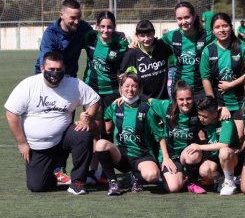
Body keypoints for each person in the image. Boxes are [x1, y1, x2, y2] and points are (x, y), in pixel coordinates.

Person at [4, 51, 100, 194]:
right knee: (37, 186)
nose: (55, 73)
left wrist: (87, 118)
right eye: (51, 69)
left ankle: (78, 182)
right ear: (42, 68)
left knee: (82, 134)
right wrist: (21, 142)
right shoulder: (28, 85)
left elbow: (94, 100)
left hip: (63, 139)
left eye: (58, 70)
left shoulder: (73, 84)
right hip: (37, 146)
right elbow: (11, 113)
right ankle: (54, 171)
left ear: (64, 69)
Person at [96, 73, 160, 196]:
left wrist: (164, 158)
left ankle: (136, 176)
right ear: (120, 88)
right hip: (122, 156)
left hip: (142, 156)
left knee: (152, 175)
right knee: (100, 144)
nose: (130, 90)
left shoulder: (146, 107)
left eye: (134, 86)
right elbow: (103, 121)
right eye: (126, 86)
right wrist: (86, 120)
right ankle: (113, 182)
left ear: (140, 89)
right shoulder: (115, 106)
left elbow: (159, 134)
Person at [200, 12, 245, 140]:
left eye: (225, 26)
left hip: (240, 102)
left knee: (239, 137)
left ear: (231, 27)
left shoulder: (242, 47)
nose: (222, 30)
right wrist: (216, 105)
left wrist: (231, 84)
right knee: (220, 139)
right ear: (213, 30)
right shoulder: (208, 51)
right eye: (217, 27)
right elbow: (206, 78)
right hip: (219, 102)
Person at [147, 80, 204, 194]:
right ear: (175, 100)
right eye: (181, 99)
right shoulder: (166, 107)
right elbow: (148, 101)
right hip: (171, 155)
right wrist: (123, 99)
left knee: (194, 153)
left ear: (193, 97)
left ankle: (192, 182)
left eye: (188, 98)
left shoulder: (199, 108)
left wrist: (222, 109)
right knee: (173, 188)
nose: (185, 102)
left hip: (188, 154)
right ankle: (179, 176)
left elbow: (212, 107)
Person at [82, 11, 128, 137]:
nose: (106, 30)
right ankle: (94, 154)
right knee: (93, 125)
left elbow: (129, 59)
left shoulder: (121, 43)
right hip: (91, 87)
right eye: (102, 26)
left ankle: (107, 153)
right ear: (97, 26)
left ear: (114, 27)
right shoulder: (90, 37)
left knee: (108, 128)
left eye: (109, 27)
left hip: (111, 90)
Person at [184, 96, 240, 195]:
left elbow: (224, 144)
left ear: (215, 114)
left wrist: (199, 146)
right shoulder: (200, 120)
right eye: (199, 115)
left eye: (205, 116)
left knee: (224, 151)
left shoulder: (226, 121)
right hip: (215, 159)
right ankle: (224, 180)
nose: (201, 118)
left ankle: (230, 182)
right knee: (204, 171)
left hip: (232, 159)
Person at [161, 1, 215, 100]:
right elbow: (152, 43)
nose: (183, 22)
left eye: (187, 17)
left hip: (201, 88)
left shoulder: (207, 36)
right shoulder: (171, 36)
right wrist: (135, 41)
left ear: (194, 17)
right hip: (178, 88)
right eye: (179, 18)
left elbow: (226, 42)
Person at [34, 0, 92, 77]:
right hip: (49, 75)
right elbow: (46, 62)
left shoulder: (84, 28)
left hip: (70, 76)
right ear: (61, 15)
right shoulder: (51, 34)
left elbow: (97, 43)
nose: (77, 21)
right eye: (73, 18)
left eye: (79, 17)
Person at [120, 20, 172, 100]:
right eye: (142, 35)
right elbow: (121, 76)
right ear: (137, 36)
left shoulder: (162, 46)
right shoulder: (132, 53)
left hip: (163, 99)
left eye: (149, 35)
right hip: (143, 101)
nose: (146, 39)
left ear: (154, 33)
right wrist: (123, 97)